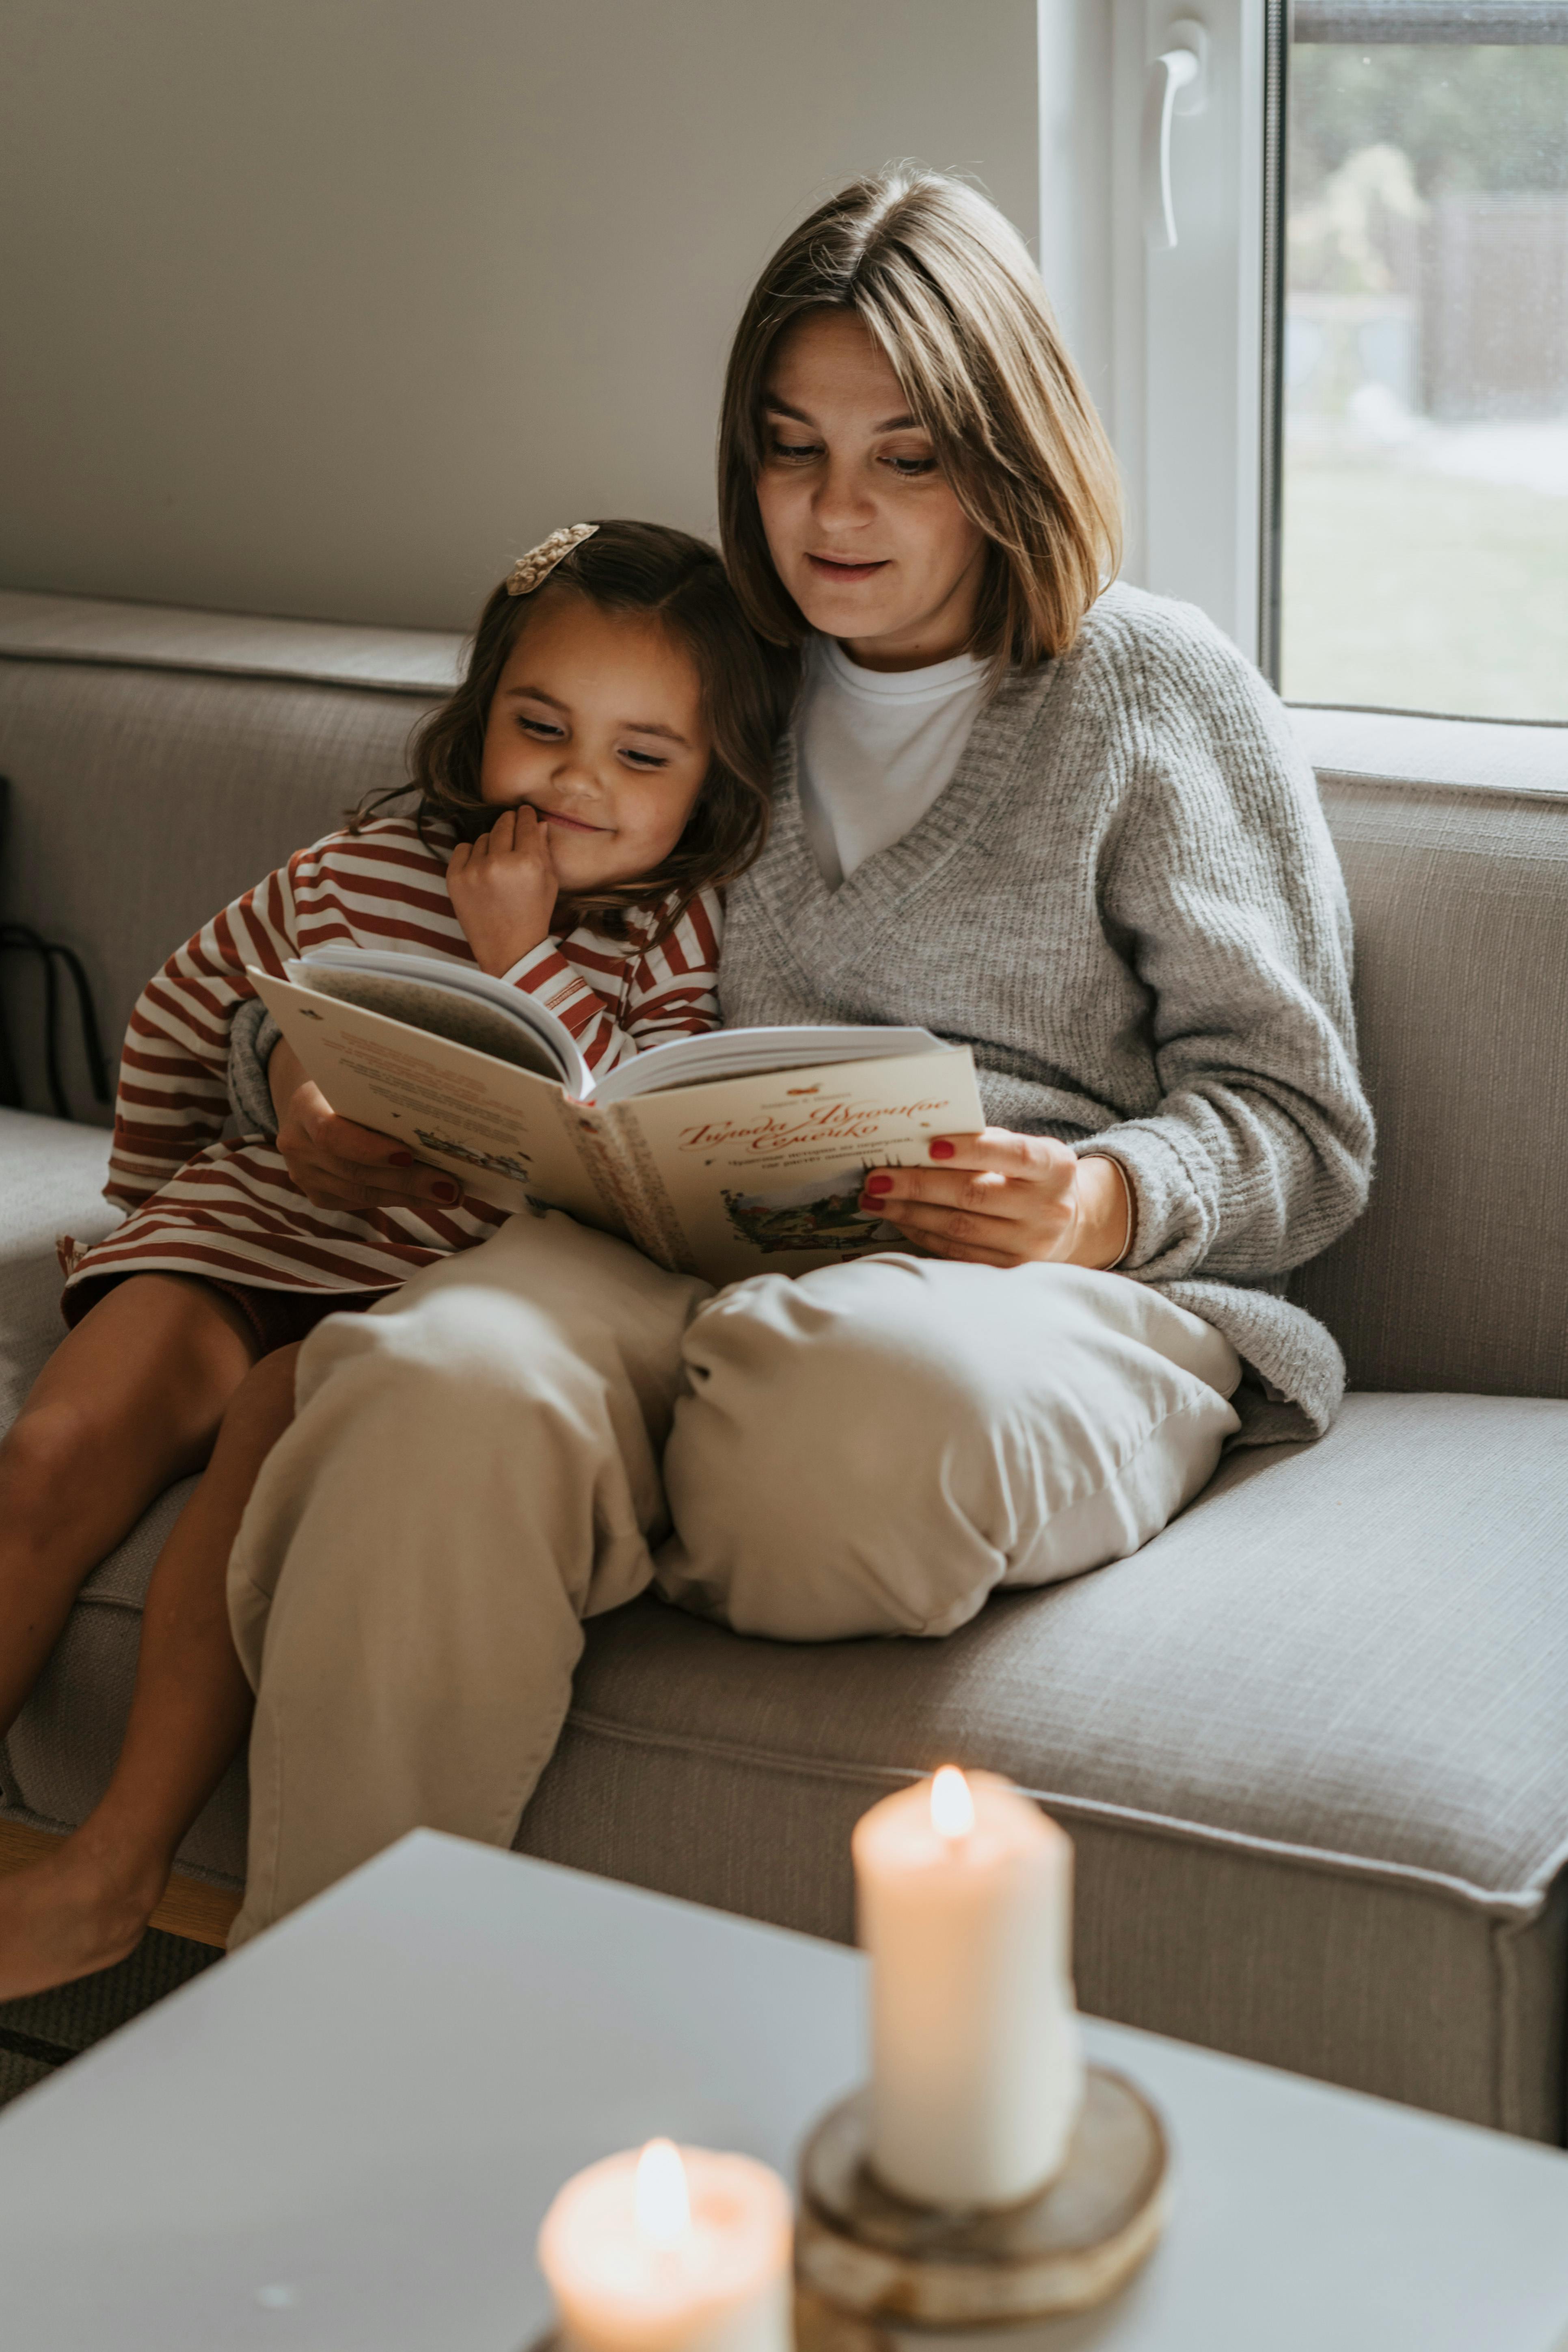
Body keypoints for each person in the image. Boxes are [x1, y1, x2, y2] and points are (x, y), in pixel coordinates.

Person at [0, 521, 793, 1997]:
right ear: (482, 711)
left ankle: (109, 1868)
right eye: (540, 727)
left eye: (641, 757)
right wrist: (252, 1123)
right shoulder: (359, 864)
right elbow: (202, 1003)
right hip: (254, 1225)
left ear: (713, 780)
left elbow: (641, 1134)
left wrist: (520, 955)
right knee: (51, 1450)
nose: (572, 783)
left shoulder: (682, 930)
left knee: (264, 1453)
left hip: (414, 1291)